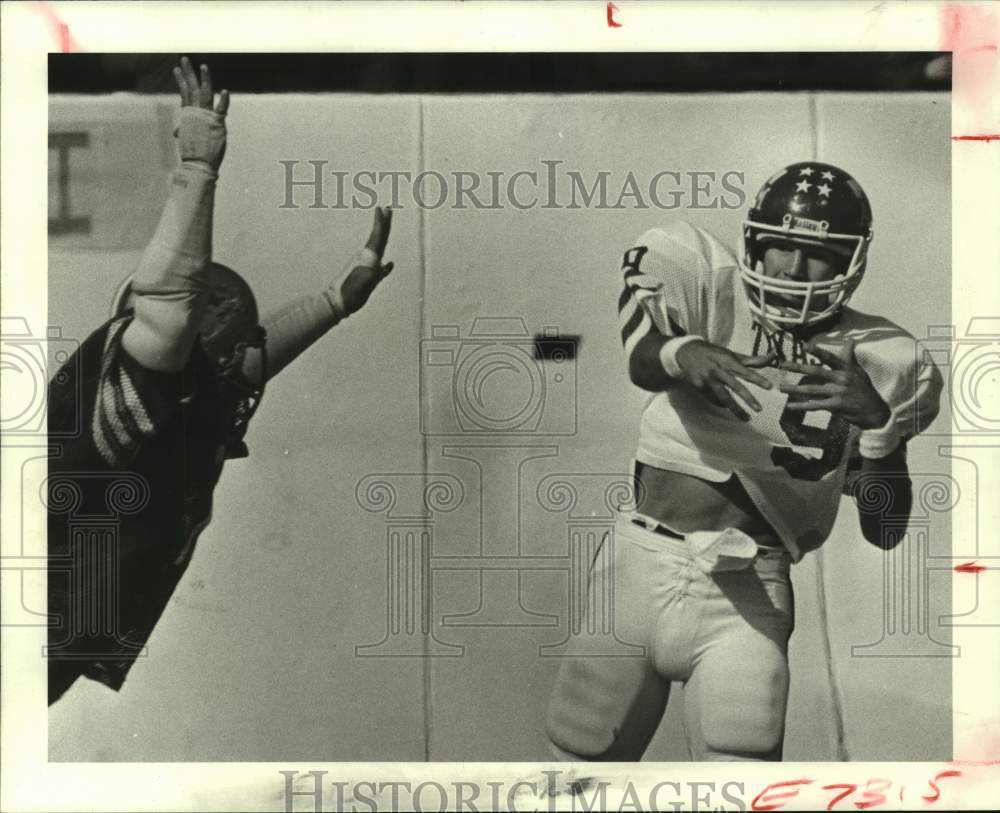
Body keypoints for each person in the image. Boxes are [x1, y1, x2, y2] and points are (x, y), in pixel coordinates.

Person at [545, 161, 943, 761]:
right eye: (779, 244)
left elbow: (885, 531)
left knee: (741, 781)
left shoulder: (885, 360)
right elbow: (642, 356)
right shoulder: (702, 278)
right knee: (572, 775)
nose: (791, 267)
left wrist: (881, 427)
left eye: (817, 253)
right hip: (640, 568)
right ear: (753, 239)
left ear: (850, 264)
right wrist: (683, 352)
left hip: (751, 592)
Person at [46, 58, 396, 705]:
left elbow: (242, 368)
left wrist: (333, 301)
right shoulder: (131, 385)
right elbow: (169, 309)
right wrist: (199, 165)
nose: (236, 365)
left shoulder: (184, 400)